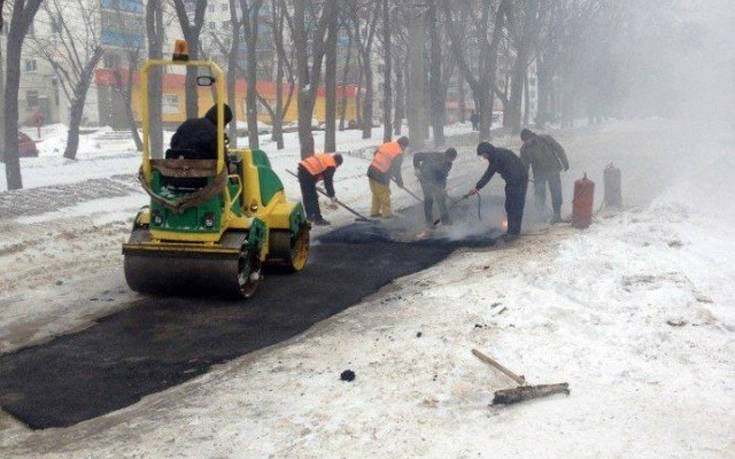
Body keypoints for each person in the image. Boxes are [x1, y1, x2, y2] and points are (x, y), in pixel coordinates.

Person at [469, 142, 529, 239]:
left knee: (515, 206)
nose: (483, 157)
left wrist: (477, 187)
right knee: (510, 206)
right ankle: (512, 231)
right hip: (513, 181)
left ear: (487, 151)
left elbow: (489, 174)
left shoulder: (497, 156)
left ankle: (513, 233)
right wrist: (477, 187)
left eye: (483, 155)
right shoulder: (496, 154)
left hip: (517, 181)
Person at [519, 128, 569, 223]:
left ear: (531, 136)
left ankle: (557, 215)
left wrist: (565, 162)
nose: (527, 142)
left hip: (553, 169)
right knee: (539, 195)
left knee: (556, 193)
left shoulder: (545, 139)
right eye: (525, 141)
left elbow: (559, 149)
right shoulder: (524, 149)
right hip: (539, 173)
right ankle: (542, 216)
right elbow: (524, 165)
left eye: (527, 139)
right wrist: (523, 177)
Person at [168, 104, 233, 160]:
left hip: (176, 168)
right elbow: (221, 156)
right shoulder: (214, 132)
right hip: (204, 171)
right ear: (222, 120)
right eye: (225, 123)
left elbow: (173, 142)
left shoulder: (188, 123)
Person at [413, 148, 457, 228]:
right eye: (450, 159)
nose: (450, 161)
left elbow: (443, 177)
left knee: (441, 199)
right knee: (429, 199)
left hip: (437, 181)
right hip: (425, 178)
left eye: (452, 160)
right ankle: (429, 223)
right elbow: (416, 156)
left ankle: (445, 220)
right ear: (446, 155)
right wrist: (417, 169)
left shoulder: (448, 164)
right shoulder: (434, 155)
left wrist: (442, 189)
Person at [367, 136, 409, 219]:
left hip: (371, 170)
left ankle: (374, 212)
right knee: (384, 194)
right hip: (381, 174)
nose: (405, 149)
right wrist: (399, 181)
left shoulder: (387, 144)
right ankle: (387, 215)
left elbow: (375, 153)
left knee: (376, 193)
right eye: (405, 147)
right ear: (403, 145)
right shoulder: (398, 152)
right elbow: (397, 169)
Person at [298, 153, 343, 226]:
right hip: (307, 173)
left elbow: (318, 171)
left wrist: (313, 183)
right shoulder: (331, 164)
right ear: (337, 163)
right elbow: (328, 182)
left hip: (302, 168)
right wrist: (332, 196)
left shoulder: (327, 158)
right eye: (338, 166)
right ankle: (318, 219)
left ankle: (310, 216)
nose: (336, 167)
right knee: (313, 197)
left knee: (306, 196)